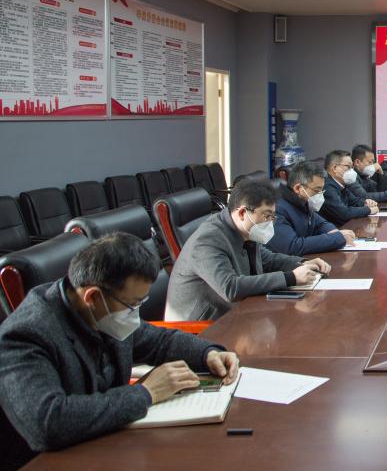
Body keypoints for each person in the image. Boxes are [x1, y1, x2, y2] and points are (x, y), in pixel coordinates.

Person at [0, 233, 240, 464]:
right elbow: (47, 422)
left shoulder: (104, 310)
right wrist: (147, 393)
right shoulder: (23, 336)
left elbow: (159, 340)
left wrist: (208, 353)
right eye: (133, 304)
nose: (135, 313)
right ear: (93, 297)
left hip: (109, 444)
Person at [166, 178, 331, 322]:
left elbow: (267, 259)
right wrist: (291, 277)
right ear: (242, 213)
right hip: (201, 328)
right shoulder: (207, 240)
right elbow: (230, 287)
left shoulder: (243, 229)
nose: (270, 222)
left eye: (273, 216)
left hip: (235, 313)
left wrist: (302, 263)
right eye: (267, 216)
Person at [268, 160, 354, 256]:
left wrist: (333, 231)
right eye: (317, 190)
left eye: (321, 190)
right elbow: (292, 246)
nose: (320, 195)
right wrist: (337, 238)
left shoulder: (301, 201)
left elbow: (321, 223)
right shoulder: (276, 209)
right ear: (298, 188)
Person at [322, 150, 377, 226]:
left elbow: (354, 202)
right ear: (334, 168)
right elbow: (344, 213)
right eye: (348, 166)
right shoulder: (327, 187)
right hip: (336, 230)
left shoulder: (343, 184)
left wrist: (366, 202)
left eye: (352, 167)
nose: (352, 170)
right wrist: (368, 210)